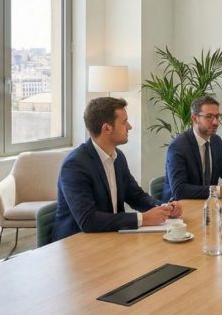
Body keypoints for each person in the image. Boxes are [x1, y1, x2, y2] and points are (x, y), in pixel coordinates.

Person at [52, 97, 181, 243]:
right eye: (124, 122)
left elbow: (136, 196)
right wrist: (143, 218)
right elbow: (88, 220)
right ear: (107, 128)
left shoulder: (118, 157)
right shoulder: (75, 165)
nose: (130, 127)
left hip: (109, 237)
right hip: (76, 244)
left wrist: (163, 208)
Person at [162, 95, 222, 201]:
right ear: (195, 118)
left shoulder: (216, 141)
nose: (215, 122)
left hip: (208, 203)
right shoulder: (178, 146)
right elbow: (179, 190)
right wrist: (220, 190)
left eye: (217, 116)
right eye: (209, 117)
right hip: (178, 208)